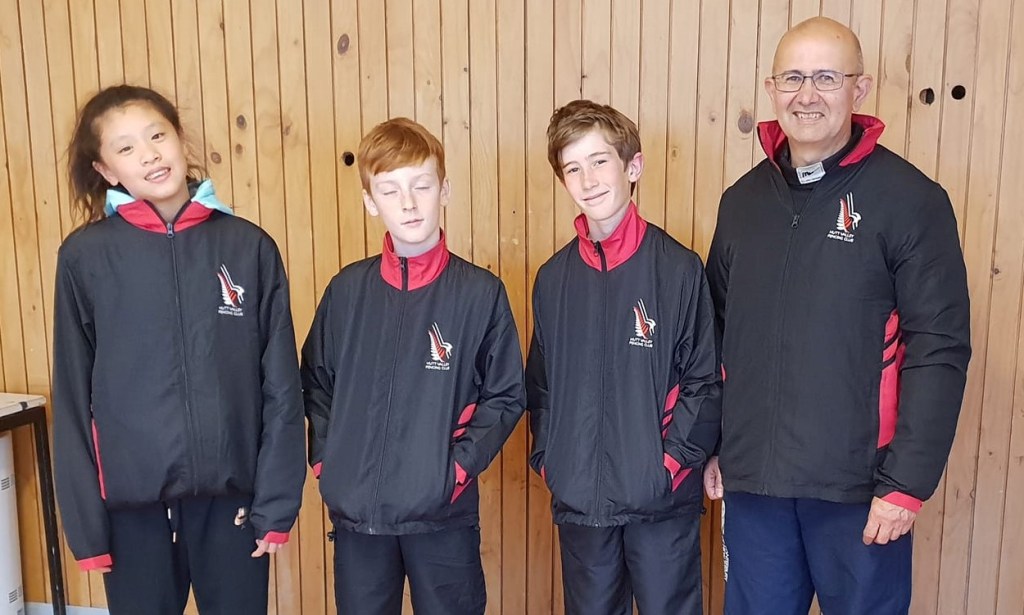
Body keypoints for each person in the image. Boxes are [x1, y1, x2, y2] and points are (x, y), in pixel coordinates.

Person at [704, 17, 971, 615]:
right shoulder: (741, 203)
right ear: (772, 88)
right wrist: (715, 445)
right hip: (755, 487)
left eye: (827, 77)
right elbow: (715, 335)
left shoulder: (911, 200)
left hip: (861, 490)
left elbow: (940, 347)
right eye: (793, 78)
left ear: (860, 88)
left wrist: (906, 484)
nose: (808, 94)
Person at [52, 85, 306, 614]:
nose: (148, 154)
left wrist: (277, 503)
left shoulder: (248, 246)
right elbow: (73, 396)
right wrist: (87, 529)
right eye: (126, 148)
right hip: (132, 516)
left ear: (178, 138)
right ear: (105, 170)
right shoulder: (85, 258)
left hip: (232, 506)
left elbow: (282, 386)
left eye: (157, 135)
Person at [301, 117, 526, 615]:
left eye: (421, 186)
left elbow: (506, 395)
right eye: (390, 190)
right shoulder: (347, 292)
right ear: (370, 201)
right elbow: (315, 382)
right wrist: (328, 463)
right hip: (359, 518)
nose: (408, 203)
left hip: (442, 516)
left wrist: (456, 469)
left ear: (444, 190)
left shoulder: (480, 294)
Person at [527, 99, 720, 615]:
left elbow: (703, 381)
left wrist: (668, 465)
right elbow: (541, 386)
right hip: (580, 505)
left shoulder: (678, 269)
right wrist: (552, 462)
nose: (588, 179)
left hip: (661, 502)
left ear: (633, 167)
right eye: (572, 168)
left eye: (599, 161)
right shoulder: (553, 279)